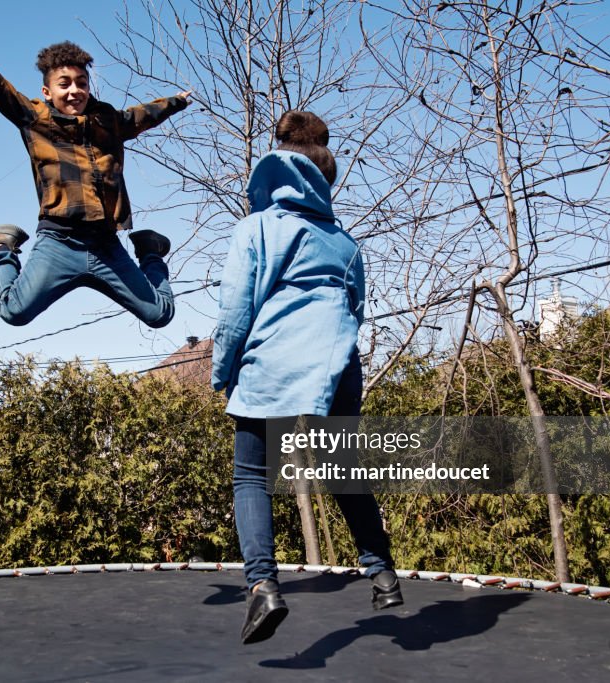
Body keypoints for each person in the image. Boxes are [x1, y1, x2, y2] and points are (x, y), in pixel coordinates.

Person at [211, 111, 403, 645]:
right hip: (338, 367)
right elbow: (356, 308)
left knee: (252, 476)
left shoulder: (257, 228)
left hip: (272, 365)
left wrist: (222, 372)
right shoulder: (345, 242)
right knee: (342, 469)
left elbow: (234, 312)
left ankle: (263, 588)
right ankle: (381, 572)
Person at [0, 0, 191, 328]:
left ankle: (149, 249)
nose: (74, 91)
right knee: (14, 311)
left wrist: (176, 102)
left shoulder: (108, 121)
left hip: (106, 244)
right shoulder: (33, 118)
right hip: (59, 242)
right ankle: (1, 245)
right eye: (64, 84)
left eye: (81, 82)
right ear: (47, 91)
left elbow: (144, 115)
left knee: (160, 314)